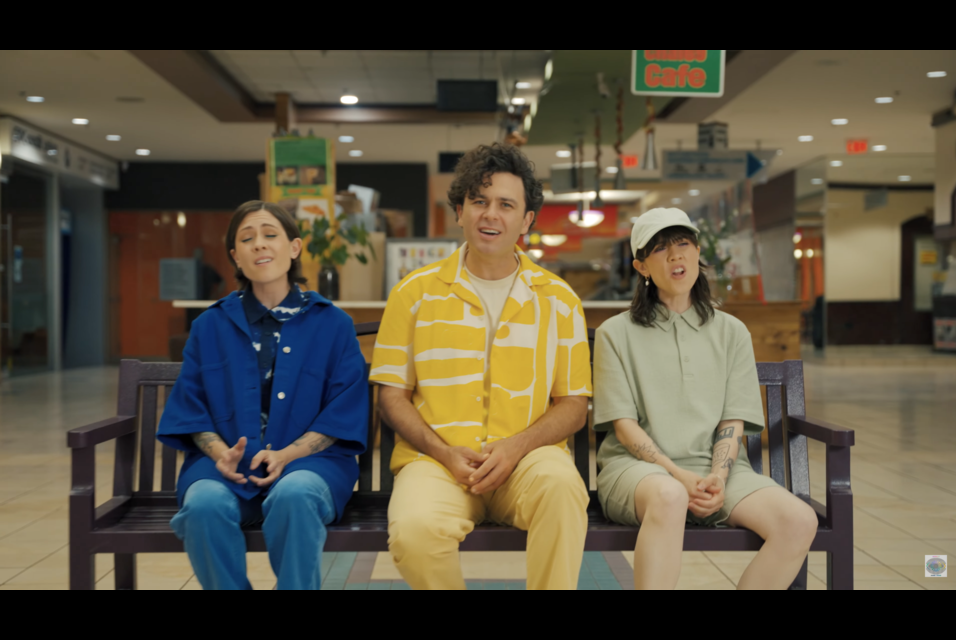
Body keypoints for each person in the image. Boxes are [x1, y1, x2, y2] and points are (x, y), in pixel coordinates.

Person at [370, 143, 592, 590]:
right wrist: (444, 453)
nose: (490, 214)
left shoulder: (559, 299)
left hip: (529, 461)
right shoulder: (413, 294)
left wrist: (515, 448)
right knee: (414, 531)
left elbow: (573, 403)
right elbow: (391, 396)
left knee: (564, 491)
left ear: (527, 220)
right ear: (460, 211)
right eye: (479, 201)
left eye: (506, 205)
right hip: (436, 463)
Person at [593, 208, 818, 590]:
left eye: (683, 244)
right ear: (642, 266)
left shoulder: (732, 332)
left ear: (698, 253)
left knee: (799, 521)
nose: (676, 255)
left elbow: (732, 421)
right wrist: (678, 476)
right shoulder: (616, 333)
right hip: (638, 472)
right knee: (668, 495)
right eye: (661, 249)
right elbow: (624, 427)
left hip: (719, 472)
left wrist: (717, 476)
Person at [157, 200, 368, 590]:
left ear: (294, 247)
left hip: (311, 465)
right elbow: (190, 406)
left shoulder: (334, 324)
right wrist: (222, 454)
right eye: (247, 239)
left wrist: (289, 454)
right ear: (236, 256)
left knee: (295, 495)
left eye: (270, 235)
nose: (259, 245)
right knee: (203, 504)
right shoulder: (210, 326)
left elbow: (345, 408)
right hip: (225, 466)